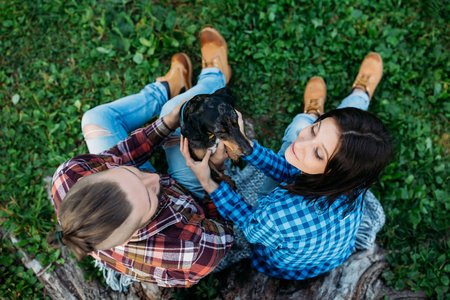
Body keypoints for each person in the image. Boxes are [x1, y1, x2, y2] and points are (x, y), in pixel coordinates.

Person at [48, 27, 234, 288]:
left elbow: (121, 155)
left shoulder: (69, 176)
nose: (155, 179)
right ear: (135, 232)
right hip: (192, 200)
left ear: (100, 174)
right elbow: (225, 227)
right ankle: (215, 77)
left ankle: (166, 88)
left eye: (131, 173)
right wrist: (214, 177)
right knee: (177, 111)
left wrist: (167, 124)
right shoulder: (190, 250)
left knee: (96, 119)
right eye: (149, 198)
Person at [181, 52, 393, 280]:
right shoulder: (355, 181)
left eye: (318, 153)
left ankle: (312, 113)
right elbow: (289, 170)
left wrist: (208, 182)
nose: (301, 144)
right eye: (315, 129)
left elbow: (250, 226)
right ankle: (358, 94)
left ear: (334, 173)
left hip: (289, 265)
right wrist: (247, 147)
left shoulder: (275, 215)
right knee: (349, 134)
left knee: (296, 127)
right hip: (331, 253)